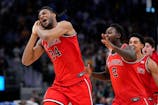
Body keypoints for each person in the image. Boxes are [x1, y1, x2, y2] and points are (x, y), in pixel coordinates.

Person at [22, 6, 93, 105]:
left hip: (78, 82)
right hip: (59, 86)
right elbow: (26, 61)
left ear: (54, 15)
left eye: (44, 13)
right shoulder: (42, 41)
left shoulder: (65, 25)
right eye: (39, 16)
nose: (41, 16)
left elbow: (47, 36)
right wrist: (33, 35)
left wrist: (37, 29)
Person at [86, 23, 158, 105]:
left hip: (136, 100)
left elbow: (132, 56)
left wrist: (113, 47)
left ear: (118, 35)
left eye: (110, 32)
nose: (107, 35)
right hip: (119, 101)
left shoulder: (126, 47)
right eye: (106, 33)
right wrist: (92, 73)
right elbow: (107, 75)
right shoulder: (109, 56)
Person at [142, 37, 158, 104]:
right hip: (147, 95)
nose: (145, 48)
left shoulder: (155, 60)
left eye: (147, 46)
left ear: (153, 48)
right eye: (143, 47)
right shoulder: (142, 61)